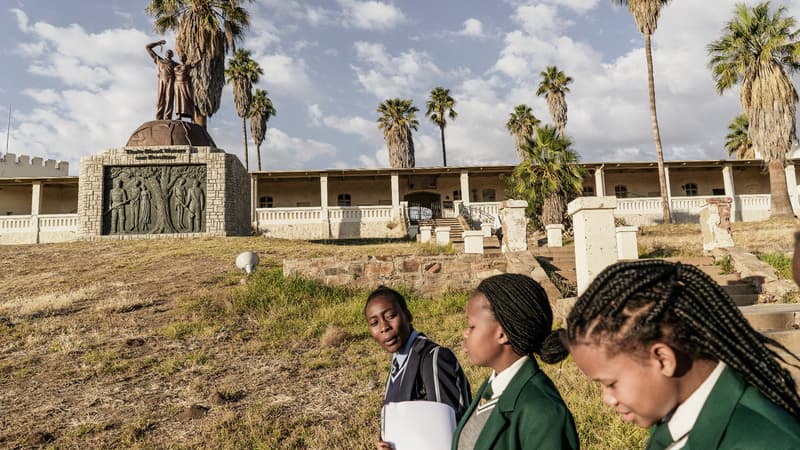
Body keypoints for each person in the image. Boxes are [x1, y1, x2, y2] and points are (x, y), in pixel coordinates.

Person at [552, 260, 800, 449]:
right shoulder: (676, 420)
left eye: (611, 384)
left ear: (663, 359)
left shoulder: (768, 441)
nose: (608, 399)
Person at [453, 273, 579, 450]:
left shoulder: (543, 411)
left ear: (502, 334)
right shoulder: (493, 387)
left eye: (472, 326)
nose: (465, 334)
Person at [364, 286, 471, 450]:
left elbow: (448, 432)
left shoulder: (433, 358)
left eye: (391, 316)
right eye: (374, 323)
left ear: (408, 315)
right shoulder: (398, 363)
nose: (384, 327)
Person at [146, 40, 177, 120]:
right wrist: (158, 43)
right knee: (160, 100)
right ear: (165, 54)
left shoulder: (175, 64)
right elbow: (148, 47)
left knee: (169, 99)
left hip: (171, 81)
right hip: (162, 81)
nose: (169, 53)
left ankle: (167, 117)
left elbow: (185, 68)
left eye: (170, 52)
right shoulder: (159, 60)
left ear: (172, 55)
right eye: (167, 52)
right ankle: (159, 117)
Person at [173, 54, 198, 121]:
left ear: (185, 58)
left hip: (185, 83)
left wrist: (198, 49)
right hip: (177, 84)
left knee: (188, 98)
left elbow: (199, 60)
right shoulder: (176, 66)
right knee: (178, 99)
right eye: (180, 57)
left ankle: (192, 115)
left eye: (183, 57)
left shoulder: (188, 65)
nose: (181, 58)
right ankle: (179, 115)